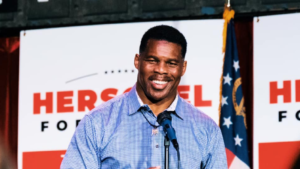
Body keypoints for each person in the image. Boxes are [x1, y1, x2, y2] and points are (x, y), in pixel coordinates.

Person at [61, 25, 227, 169]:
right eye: (152, 60)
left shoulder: (206, 129)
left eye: (171, 63)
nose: (161, 70)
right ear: (137, 61)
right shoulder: (98, 122)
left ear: (183, 68)